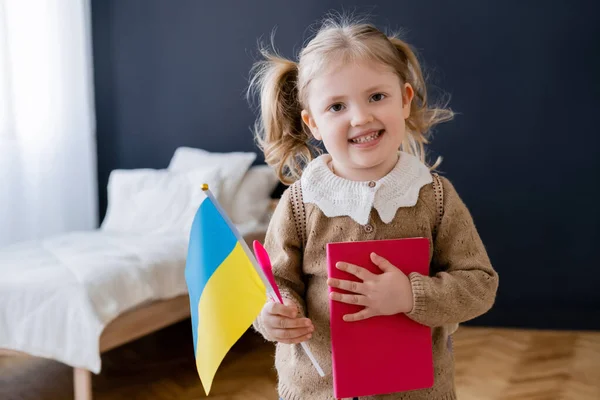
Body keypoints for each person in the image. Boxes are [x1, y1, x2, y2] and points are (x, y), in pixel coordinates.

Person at [247, 14, 499, 400]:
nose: (361, 117)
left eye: (376, 97)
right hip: (317, 390)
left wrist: (411, 295)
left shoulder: (434, 197)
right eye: (336, 107)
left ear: (404, 100)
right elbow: (276, 283)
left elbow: (479, 285)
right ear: (313, 123)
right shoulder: (300, 203)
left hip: (419, 391)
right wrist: (273, 316)